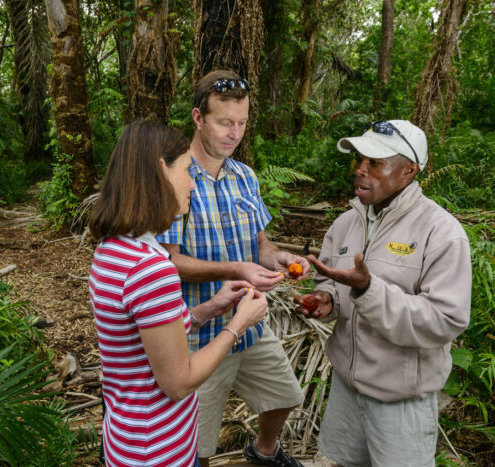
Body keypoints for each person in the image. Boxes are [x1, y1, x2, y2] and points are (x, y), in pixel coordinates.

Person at [88, 120, 268, 467]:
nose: (191, 185)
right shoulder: (151, 269)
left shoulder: (113, 249)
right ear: (160, 170)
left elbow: (144, 339)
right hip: (156, 448)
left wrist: (212, 307)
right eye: (186, 170)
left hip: (126, 437)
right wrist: (238, 325)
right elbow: (178, 382)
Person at [295, 120, 472, 466]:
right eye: (360, 160)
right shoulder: (346, 223)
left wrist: (369, 289)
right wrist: (326, 301)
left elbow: (445, 320)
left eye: (375, 163)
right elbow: (330, 283)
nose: (361, 170)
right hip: (346, 390)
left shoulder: (441, 233)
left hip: (401, 402)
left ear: (409, 170)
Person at [157, 70, 308, 467]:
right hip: (198, 334)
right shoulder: (176, 177)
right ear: (198, 117)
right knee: (197, 444)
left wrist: (278, 258)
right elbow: (166, 261)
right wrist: (237, 269)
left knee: (285, 395)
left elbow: (260, 244)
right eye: (225, 122)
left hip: (251, 324)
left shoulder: (245, 176)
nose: (234, 133)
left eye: (241, 123)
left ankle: (264, 452)